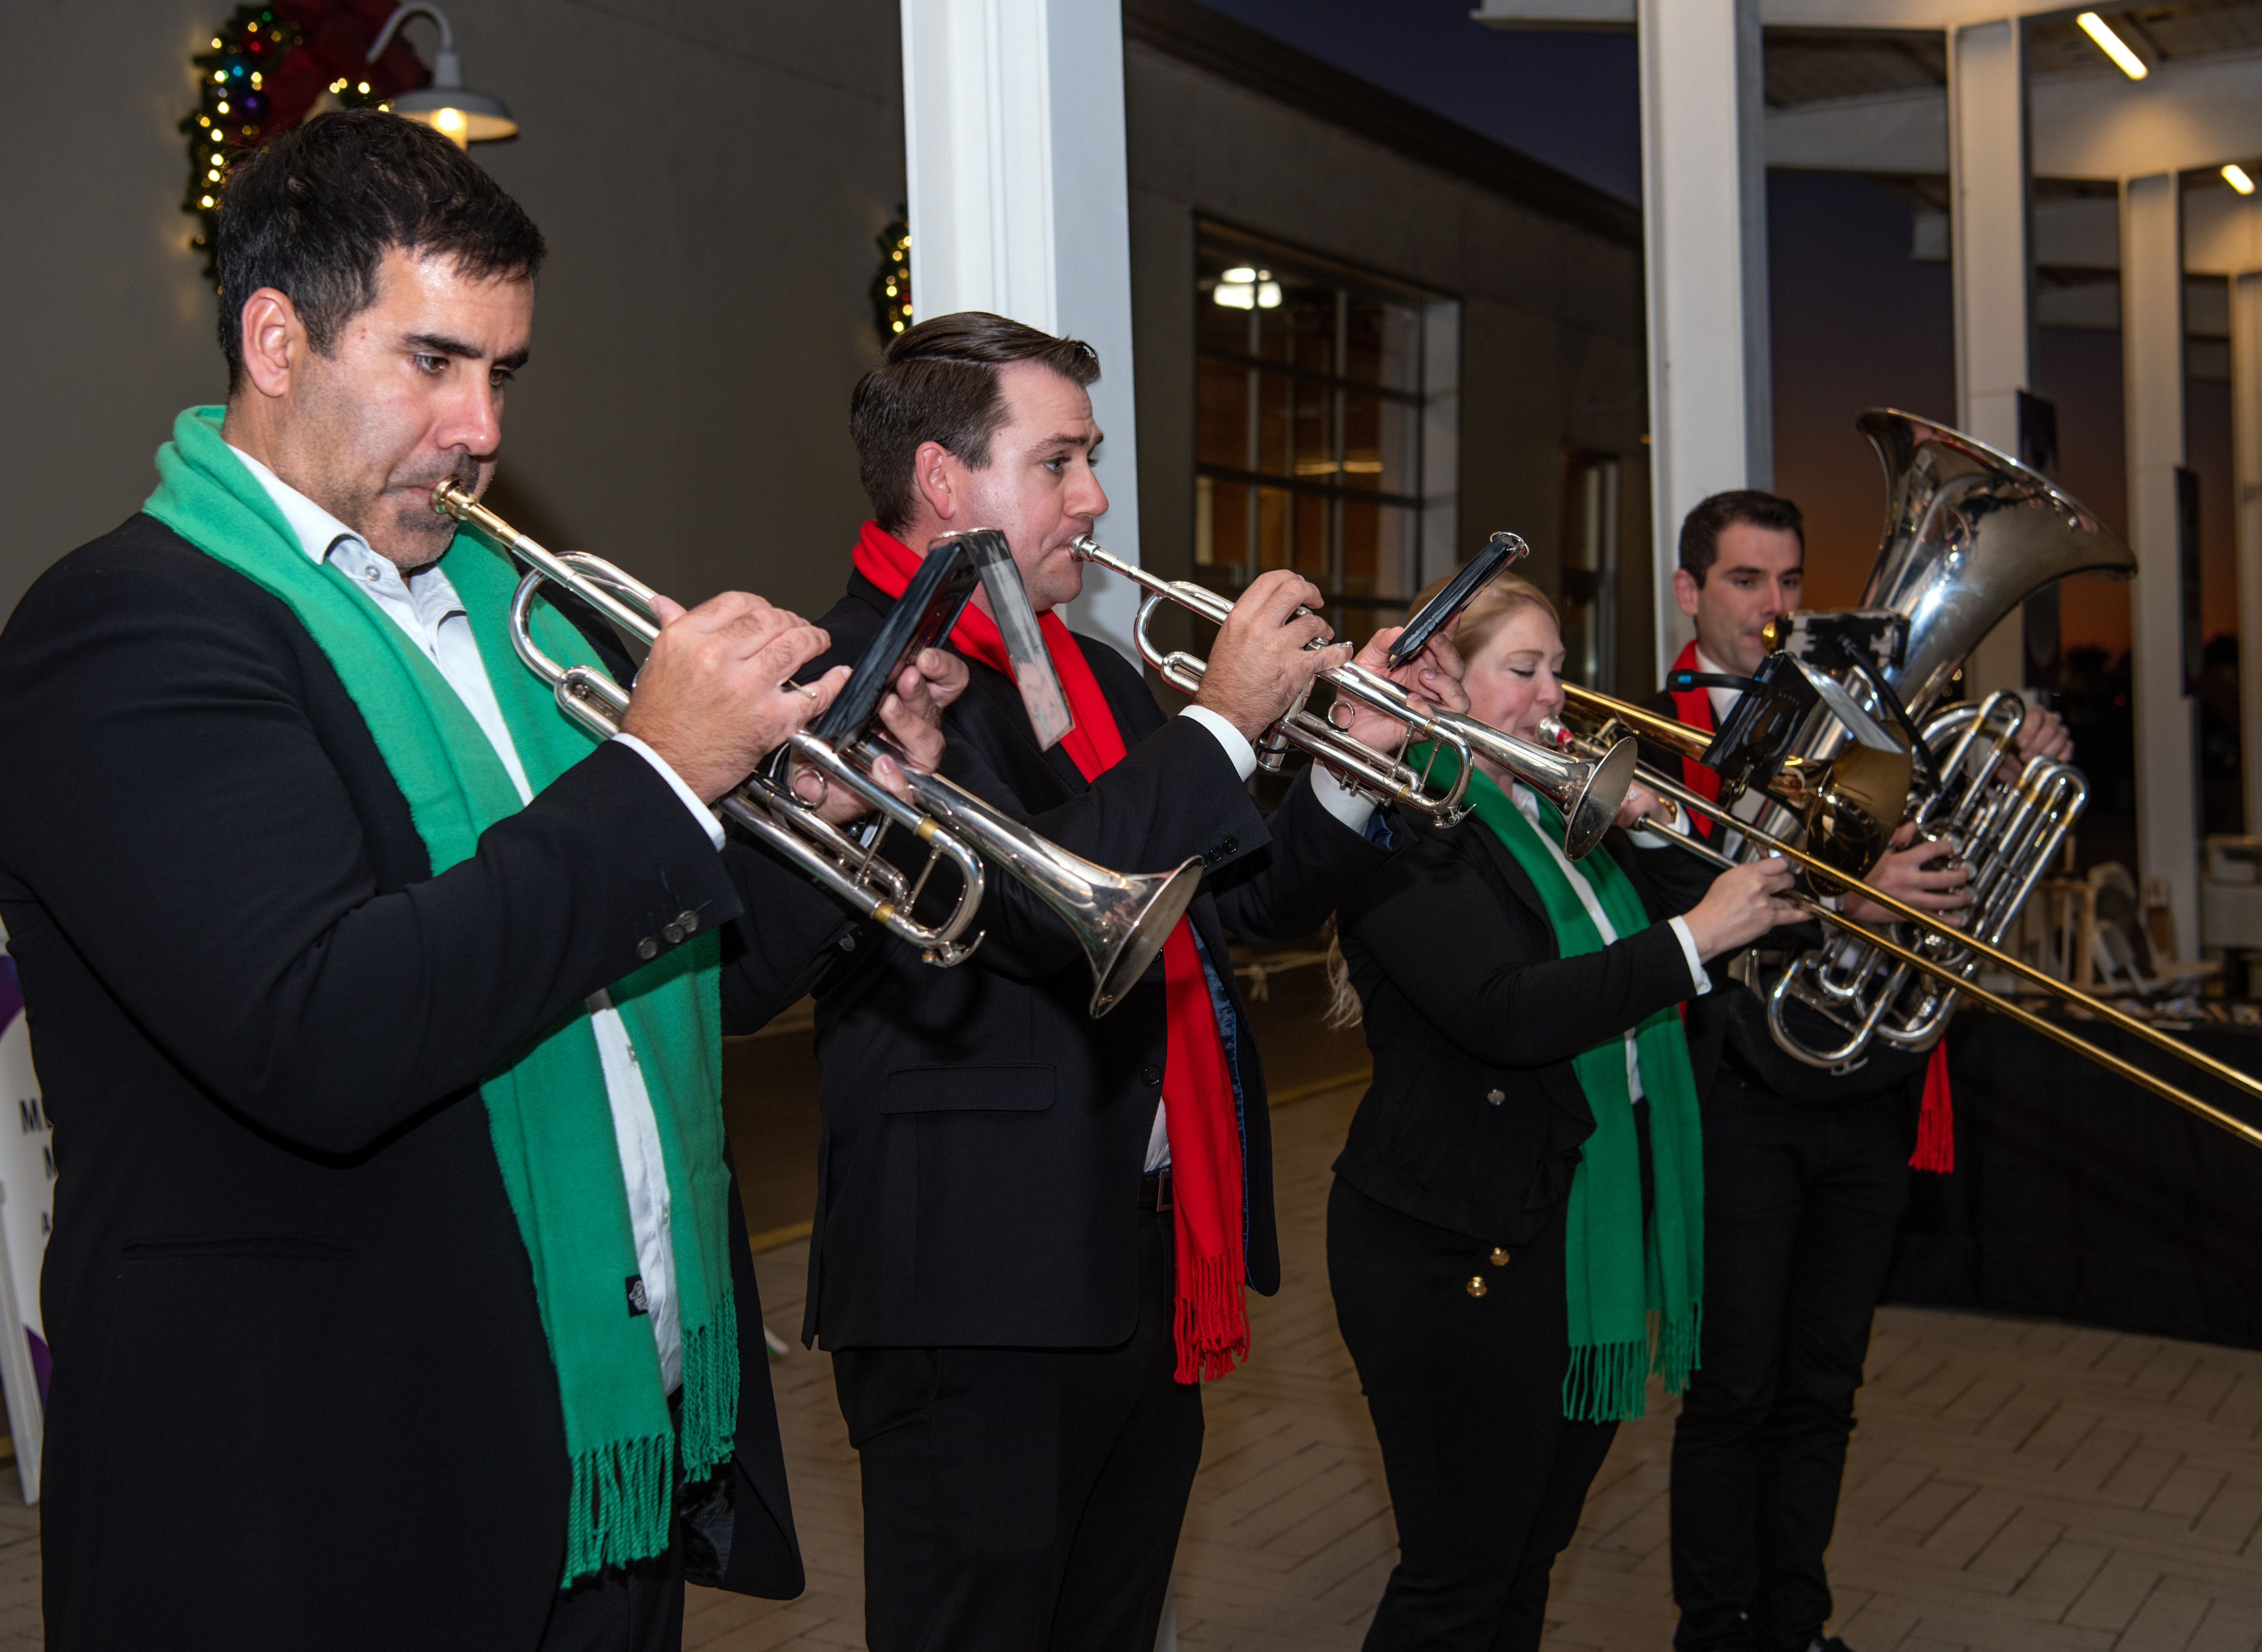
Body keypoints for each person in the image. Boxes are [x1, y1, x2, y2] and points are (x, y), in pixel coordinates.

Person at [0, 110, 953, 1651]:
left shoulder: (515, 618)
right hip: (320, 1495)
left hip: (596, 1456)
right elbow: (325, 1031)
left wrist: (835, 829)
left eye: (502, 373)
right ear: (274, 339)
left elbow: (653, 980)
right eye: (433, 361)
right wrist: (655, 776)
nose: (482, 424)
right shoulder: (126, 631)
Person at [797, 311, 1455, 1652]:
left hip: (1132, 1260)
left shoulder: (1085, 671)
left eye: (1087, 460)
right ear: (942, 482)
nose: (1093, 499)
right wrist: (1219, 721)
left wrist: (1338, 767)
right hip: (976, 1286)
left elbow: (1219, 911)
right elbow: (1046, 915)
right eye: (1060, 462)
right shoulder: (853, 676)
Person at [1325, 572, 1799, 1651]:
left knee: (1527, 1558)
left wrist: (1661, 821)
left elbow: (1734, 905)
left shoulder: (1561, 817)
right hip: (1452, 1248)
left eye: (1558, 671)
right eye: (1523, 672)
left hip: (1565, 1232)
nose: (1554, 699)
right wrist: (1693, 942)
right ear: (1445, 683)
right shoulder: (1410, 813)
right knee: (1460, 1575)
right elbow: (1507, 1012)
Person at [1654, 491, 2072, 1652]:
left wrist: (2016, 773)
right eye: (1747, 582)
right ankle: (1713, 1630)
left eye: (1791, 583)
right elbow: (1674, 911)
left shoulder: (1881, 721)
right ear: (1692, 593)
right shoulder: (1653, 730)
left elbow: (1949, 880)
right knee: (1733, 1385)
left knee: (1824, 1389)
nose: (1777, 608)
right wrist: (1847, 893)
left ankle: (1795, 1623)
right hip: (1738, 1094)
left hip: (1864, 1096)